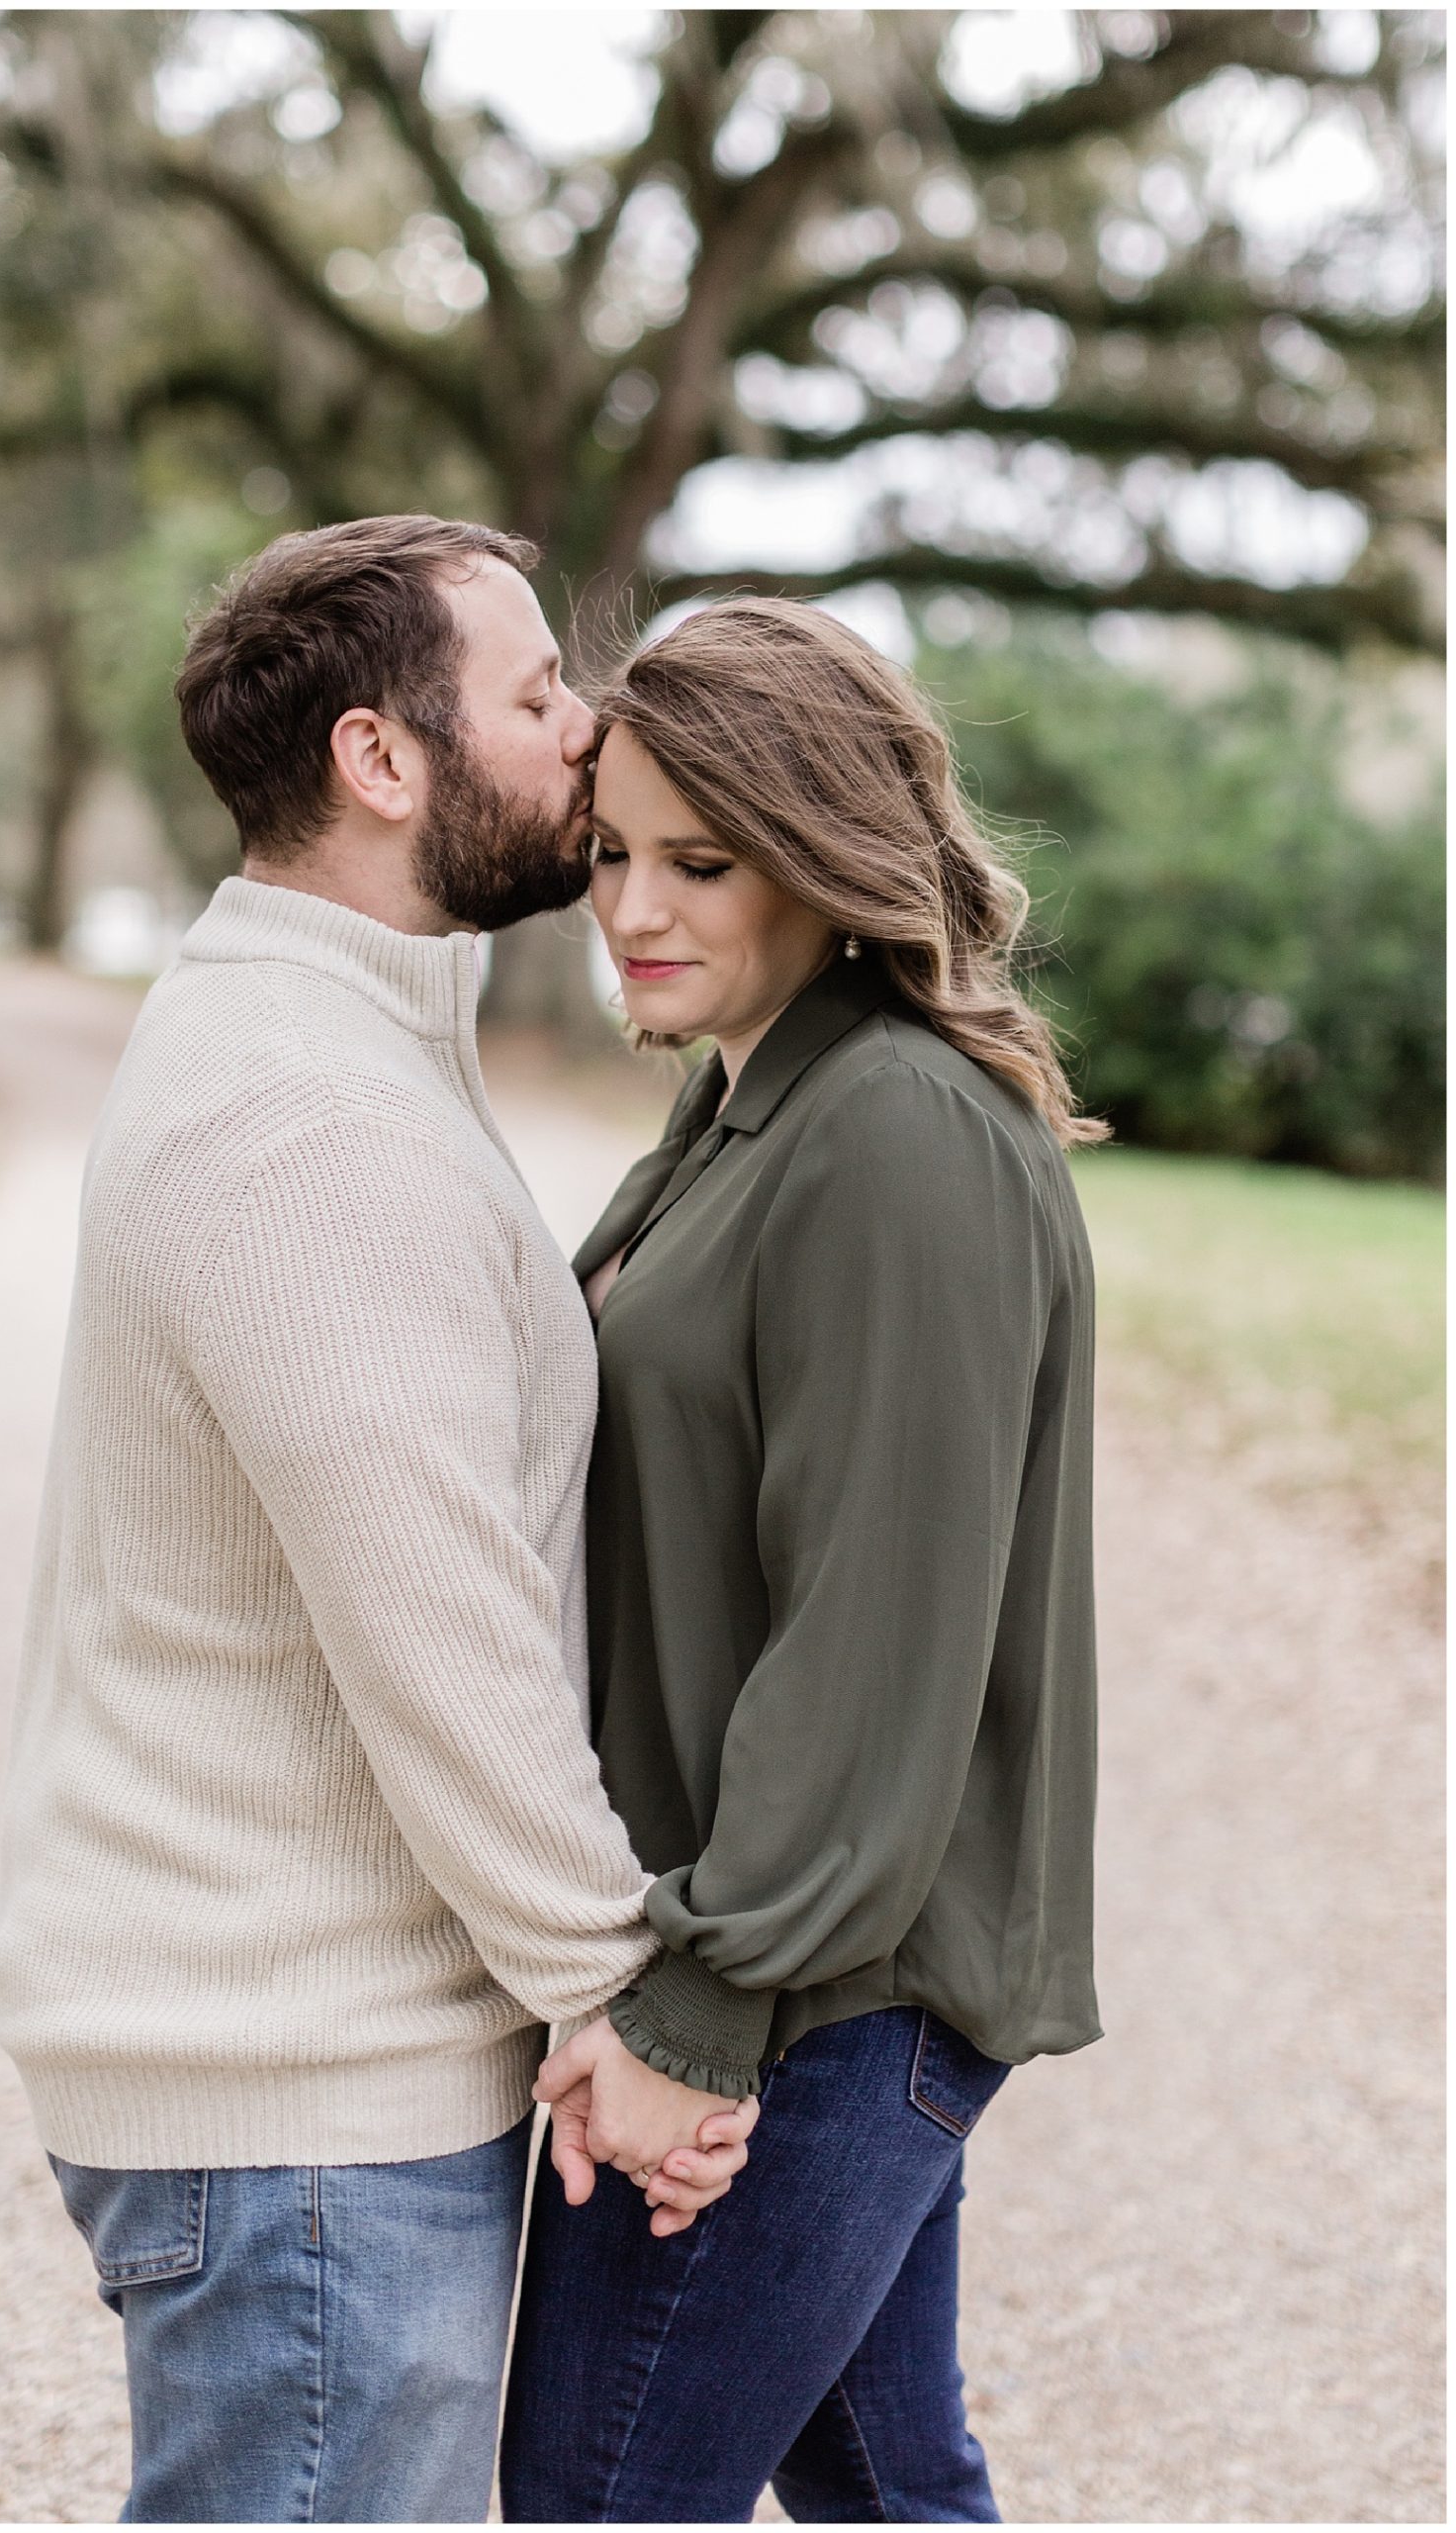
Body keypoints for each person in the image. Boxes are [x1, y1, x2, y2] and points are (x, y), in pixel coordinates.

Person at [0, 516, 755, 2527]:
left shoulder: (328, 1040)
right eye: (527, 696)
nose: (583, 727)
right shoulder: (310, 1116)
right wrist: (615, 1992)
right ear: (379, 759)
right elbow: (438, 1628)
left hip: (301, 2089)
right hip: (297, 2101)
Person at [500, 598, 1105, 2525]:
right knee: (885, 2482)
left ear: (827, 844)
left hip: (827, 1982)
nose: (628, 905)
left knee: (589, 2489)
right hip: (788, 1953)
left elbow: (872, 1633)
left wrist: (695, 2005)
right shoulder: (749, 1094)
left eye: (700, 857)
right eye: (610, 855)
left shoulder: (894, 1131)